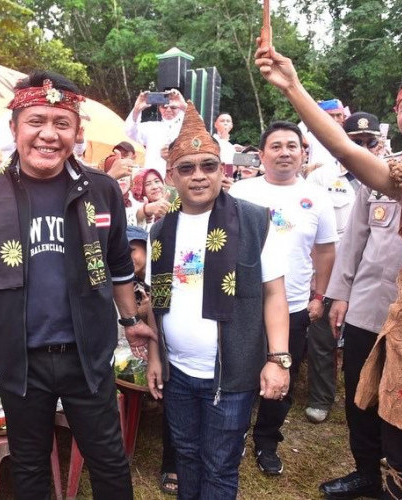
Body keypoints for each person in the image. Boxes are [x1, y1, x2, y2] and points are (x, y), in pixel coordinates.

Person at [0, 70, 156, 500]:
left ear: (77, 134)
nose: (48, 135)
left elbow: (118, 268)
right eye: (36, 121)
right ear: (14, 126)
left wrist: (130, 321)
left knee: (109, 461)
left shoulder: (102, 191)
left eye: (61, 123)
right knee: (31, 464)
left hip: (88, 356)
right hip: (18, 363)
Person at [254, 38, 402, 500]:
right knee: (363, 396)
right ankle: (372, 474)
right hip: (380, 309)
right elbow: (343, 152)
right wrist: (293, 86)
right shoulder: (395, 172)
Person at [146, 102, 290, 500]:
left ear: (222, 170)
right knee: (187, 456)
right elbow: (158, 303)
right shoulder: (160, 230)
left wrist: (278, 360)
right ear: (172, 175)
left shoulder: (254, 220)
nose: (198, 176)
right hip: (178, 374)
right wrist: (157, 357)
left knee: (221, 464)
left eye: (208, 166)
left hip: (232, 373)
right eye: (186, 168)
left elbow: (274, 294)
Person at [228, 120, 338, 475]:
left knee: (282, 378)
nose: (285, 152)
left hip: (292, 306)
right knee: (238, 372)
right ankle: (233, 434)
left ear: (303, 153)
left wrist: (319, 295)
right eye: (276, 146)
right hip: (242, 304)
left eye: (292, 145)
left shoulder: (317, 197)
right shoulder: (242, 192)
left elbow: (324, 252)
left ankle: (267, 440)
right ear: (261, 155)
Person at [318, 151, 402, 499]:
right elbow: (354, 237)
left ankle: (399, 479)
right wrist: (340, 294)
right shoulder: (382, 170)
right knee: (359, 393)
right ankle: (367, 471)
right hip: (368, 305)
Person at [303, 112, 384, 425]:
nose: (363, 147)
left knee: (369, 339)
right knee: (325, 336)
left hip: (374, 276)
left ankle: (373, 396)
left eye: (369, 141)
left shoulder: (391, 176)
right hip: (331, 268)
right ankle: (322, 397)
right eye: (355, 141)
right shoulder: (321, 177)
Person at [125, 89, 187, 177]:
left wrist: (183, 105)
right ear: (159, 108)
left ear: (179, 108)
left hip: (181, 179)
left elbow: (199, 127)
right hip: (155, 181)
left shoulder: (188, 127)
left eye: (173, 107)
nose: (168, 110)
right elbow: (130, 132)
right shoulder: (152, 127)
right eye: (164, 106)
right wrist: (136, 110)